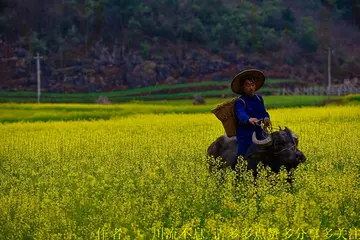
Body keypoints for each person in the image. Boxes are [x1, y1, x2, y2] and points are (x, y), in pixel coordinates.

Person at [230, 69, 271, 169]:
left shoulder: (259, 99)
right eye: (247, 85)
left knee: (273, 146)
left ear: (255, 86)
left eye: (252, 85)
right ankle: (234, 171)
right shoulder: (240, 101)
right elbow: (240, 114)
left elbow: (263, 112)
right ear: (243, 88)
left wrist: (266, 118)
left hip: (259, 131)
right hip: (245, 133)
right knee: (241, 154)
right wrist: (249, 119)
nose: (250, 88)